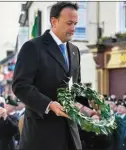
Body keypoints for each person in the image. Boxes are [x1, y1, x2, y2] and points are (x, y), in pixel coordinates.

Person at [12, 2, 82, 150]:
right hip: (41, 137)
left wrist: (91, 105)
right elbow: (20, 86)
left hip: (71, 136)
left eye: (75, 23)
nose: (73, 28)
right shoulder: (32, 47)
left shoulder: (75, 51)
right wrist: (49, 105)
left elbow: (76, 87)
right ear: (54, 21)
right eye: (69, 23)